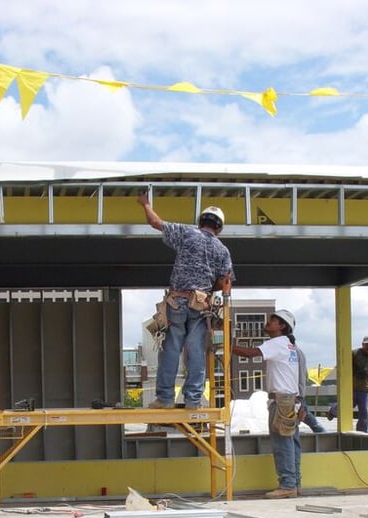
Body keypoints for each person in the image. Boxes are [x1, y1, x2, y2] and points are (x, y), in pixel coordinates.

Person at [137, 193, 234, 409]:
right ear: (219, 228)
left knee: (171, 349)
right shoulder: (222, 250)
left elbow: (155, 222)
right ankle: (193, 400)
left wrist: (145, 204)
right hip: (202, 306)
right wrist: (206, 289)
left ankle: (165, 398)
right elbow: (225, 281)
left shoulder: (187, 233)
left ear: (201, 221)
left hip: (177, 302)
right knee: (196, 351)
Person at [232, 309, 302, 498]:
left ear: (282, 326)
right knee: (292, 443)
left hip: (281, 402)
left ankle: (287, 485)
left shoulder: (277, 343)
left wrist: (226, 345)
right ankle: (295, 483)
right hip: (290, 400)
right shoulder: (289, 345)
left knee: (282, 444)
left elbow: (250, 353)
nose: (268, 322)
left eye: (272, 320)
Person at [296, 346, 324, 433]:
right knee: (304, 414)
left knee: (304, 415)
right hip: (299, 391)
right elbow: (306, 375)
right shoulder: (299, 352)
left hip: (295, 392)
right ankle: (320, 431)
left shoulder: (291, 352)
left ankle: (321, 432)